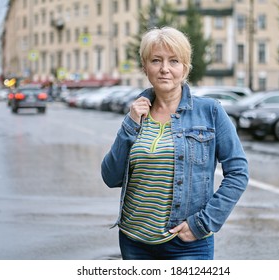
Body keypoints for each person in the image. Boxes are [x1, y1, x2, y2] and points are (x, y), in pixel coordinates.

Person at [101, 26, 249, 260]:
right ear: (144, 66)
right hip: (134, 241)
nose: (164, 69)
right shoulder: (136, 115)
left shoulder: (210, 112)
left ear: (185, 68)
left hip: (187, 243)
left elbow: (238, 173)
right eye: (156, 60)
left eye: (174, 61)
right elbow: (110, 177)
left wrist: (204, 223)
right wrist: (129, 125)